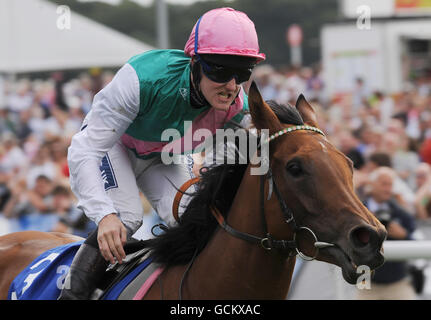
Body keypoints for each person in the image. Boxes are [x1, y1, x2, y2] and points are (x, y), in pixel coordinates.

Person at [58, 7, 265, 299]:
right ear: (194, 62)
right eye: (219, 69)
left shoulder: (239, 108)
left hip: (163, 156)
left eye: (242, 73)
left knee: (195, 221)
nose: (231, 86)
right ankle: (71, 294)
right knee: (126, 219)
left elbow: (256, 160)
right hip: (115, 147)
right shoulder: (143, 78)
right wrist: (104, 216)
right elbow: (86, 147)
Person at [357, 167, 417, 300]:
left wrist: (403, 236)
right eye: (384, 184)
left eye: (390, 184)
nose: (388, 189)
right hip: (365, 281)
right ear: (371, 185)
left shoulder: (402, 214)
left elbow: (417, 247)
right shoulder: (356, 211)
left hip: (397, 281)